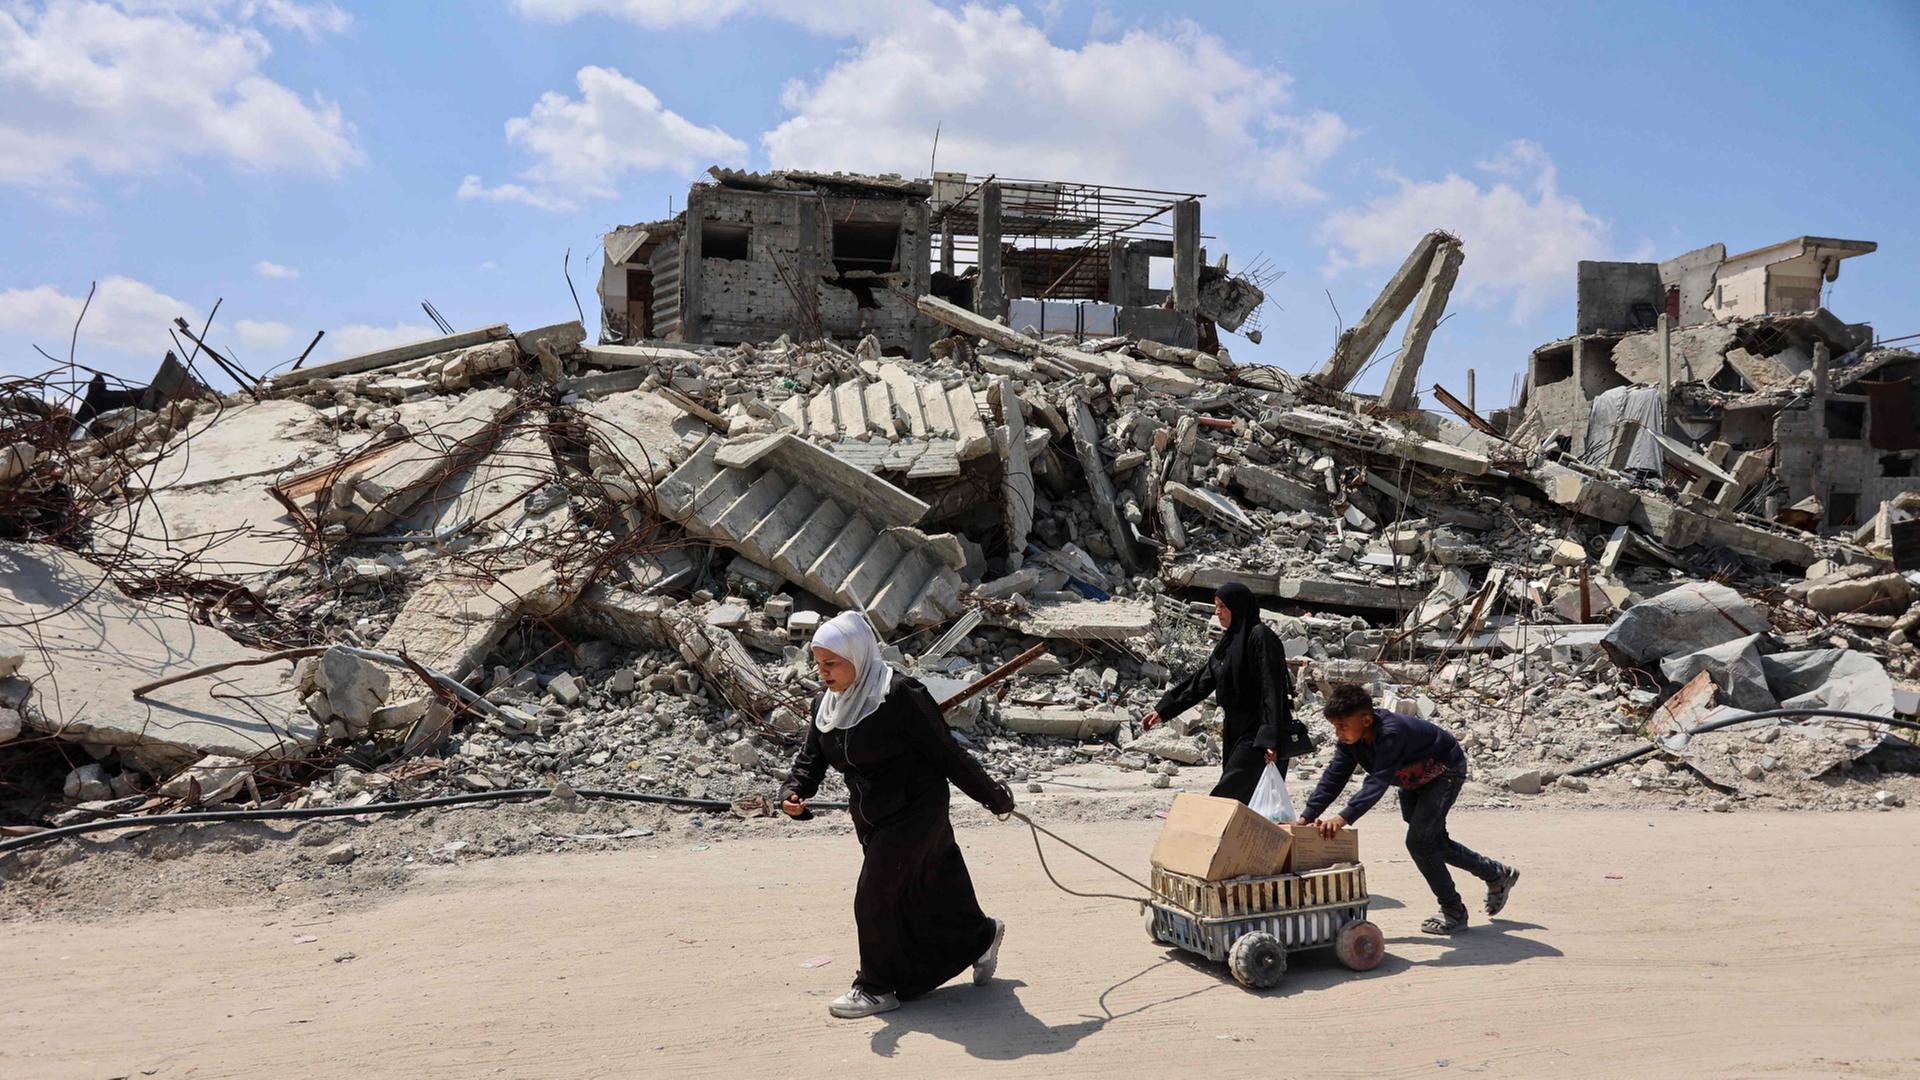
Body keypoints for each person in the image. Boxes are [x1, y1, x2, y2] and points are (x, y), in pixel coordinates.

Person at [781, 610, 1016, 1019]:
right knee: (934, 886)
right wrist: (794, 792)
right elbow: (810, 760)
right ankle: (982, 934)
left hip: (916, 808)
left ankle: (875, 987)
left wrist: (993, 797)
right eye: (818, 664)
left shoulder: (900, 695)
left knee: (875, 895)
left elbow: (948, 754)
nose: (823, 673)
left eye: (831, 663)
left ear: (858, 655)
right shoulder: (827, 705)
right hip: (871, 816)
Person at [1301, 684, 1520, 934]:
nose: (1338, 732)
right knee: (1433, 842)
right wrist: (1307, 815)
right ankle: (1495, 874)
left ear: (1366, 719)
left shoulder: (1390, 733)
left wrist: (1342, 818)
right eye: (1335, 726)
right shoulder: (1352, 740)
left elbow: (1378, 781)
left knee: (1420, 842)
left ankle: (1453, 910)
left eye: (1342, 725)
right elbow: (1334, 776)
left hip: (1443, 771)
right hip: (1413, 778)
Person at [1140, 582, 1312, 804]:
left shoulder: (1260, 637)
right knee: (1244, 801)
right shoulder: (1229, 643)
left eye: (1222, 606)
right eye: (1216, 606)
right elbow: (1202, 681)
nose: (1217, 612)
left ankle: (1202, 834)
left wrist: (1270, 738)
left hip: (1259, 732)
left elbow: (1272, 690)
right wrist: (1164, 710)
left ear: (1237, 607)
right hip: (1235, 731)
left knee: (1228, 795)